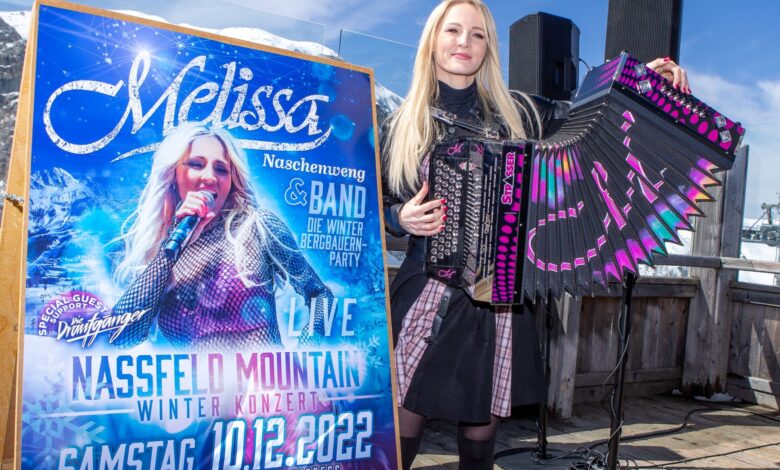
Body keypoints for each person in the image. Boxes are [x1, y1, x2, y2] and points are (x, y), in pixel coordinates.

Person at [381, 1, 689, 469]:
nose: (465, 42)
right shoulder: (400, 122)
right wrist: (399, 216)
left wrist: (642, 81)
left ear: (489, 48)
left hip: (499, 296)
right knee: (406, 408)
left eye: (478, 35)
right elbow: (374, 204)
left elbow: (591, 115)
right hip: (428, 289)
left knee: (482, 417)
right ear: (433, 40)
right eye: (453, 30)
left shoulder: (520, 112)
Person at [111, 122, 332, 350]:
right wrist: (170, 251)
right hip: (196, 375)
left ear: (232, 180)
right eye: (196, 164)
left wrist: (308, 351)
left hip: (266, 373)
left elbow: (322, 295)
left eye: (221, 169)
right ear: (173, 174)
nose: (210, 177)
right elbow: (120, 337)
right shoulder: (164, 249)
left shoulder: (256, 226)